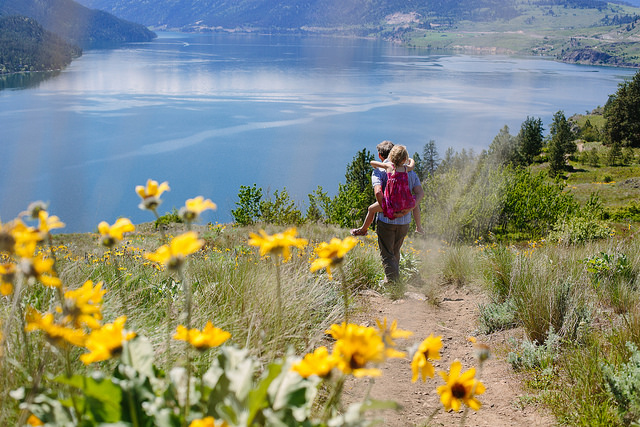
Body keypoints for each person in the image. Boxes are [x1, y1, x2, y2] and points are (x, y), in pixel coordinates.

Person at [369, 140, 424, 283]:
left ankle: (394, 286)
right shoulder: (409, 171)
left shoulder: (383, 170)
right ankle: (392, 279)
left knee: (387, 254)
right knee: (395, 251)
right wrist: (409, 209)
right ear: (404, 158)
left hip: (387, 219)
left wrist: (388, 211)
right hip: (404, 221)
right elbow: (420, 194)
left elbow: (378, 193)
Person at [350, 144, 424, 237]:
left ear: (391, 158)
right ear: (404, 159)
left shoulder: (388, 167)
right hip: (404, 202)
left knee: (371, 209)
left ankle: (363, 230)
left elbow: (372, 163)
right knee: (415, 204)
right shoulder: (406, 169)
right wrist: (410, 160)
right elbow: (412, 165)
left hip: (391, 203)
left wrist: (379, 164)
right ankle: (419, 227)